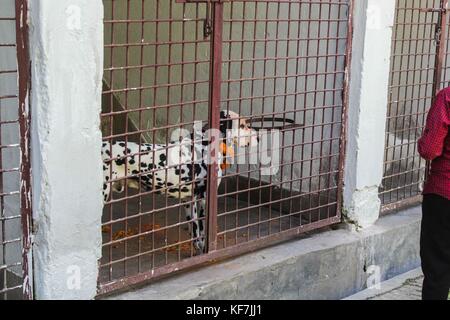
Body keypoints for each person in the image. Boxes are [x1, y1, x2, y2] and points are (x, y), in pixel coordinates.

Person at [417, 87, 450, 300]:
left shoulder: (447, 97)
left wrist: (422, 141)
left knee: (438, 269)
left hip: (444, 194)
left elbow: (430, 150)